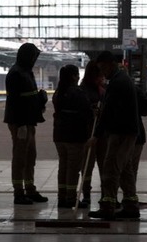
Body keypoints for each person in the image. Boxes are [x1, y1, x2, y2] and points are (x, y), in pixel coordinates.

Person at [88, 51, 140, 220]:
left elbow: (107, 112)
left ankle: (108, 207)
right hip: (127, 131)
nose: (102, 72)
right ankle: (131, 206)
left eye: (102, 67)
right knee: (125, 170)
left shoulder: (117, 83)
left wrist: (96, 135)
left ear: (110, 64)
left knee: (111, 169)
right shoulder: (123, 80)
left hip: (120, 133)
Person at [3, 42, 49, 205]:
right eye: (33, 56)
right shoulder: (16, 73)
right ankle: (18, 192)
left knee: (30, 156)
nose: (35, 59)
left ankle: (30, 189)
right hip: (20, 123)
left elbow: (28, 96)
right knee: (20, 157)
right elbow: (14, 101)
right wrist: (21, 124)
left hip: (29, 122)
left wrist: (39, 99)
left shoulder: (26, 72)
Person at [51, 64, 94, 208]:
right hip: (75, 136)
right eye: (77, 74)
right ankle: (71, 198)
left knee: (63, 166)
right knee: (73, 169)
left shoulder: (58, 92)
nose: (79, 77)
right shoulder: (78, 92)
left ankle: (61, 197)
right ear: (73, 76)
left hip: (59, 136)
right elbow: (87, 112)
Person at [77, 60, 105, 208]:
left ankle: (106, 195)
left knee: (104, 166)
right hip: (88, 133)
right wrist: (91, 111)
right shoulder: (83, 90)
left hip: (102, 134)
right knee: (87, 165)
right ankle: (86, 194)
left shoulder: (103, 90)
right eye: (99, 75)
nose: (102, 78)